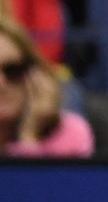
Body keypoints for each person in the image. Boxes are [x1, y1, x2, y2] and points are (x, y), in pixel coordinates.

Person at [0, 16, 92, 157]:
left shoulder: (69, 133)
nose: (1, 83)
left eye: (12, 70)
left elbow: (28, 179)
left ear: (35, 75)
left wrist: (29, 136)